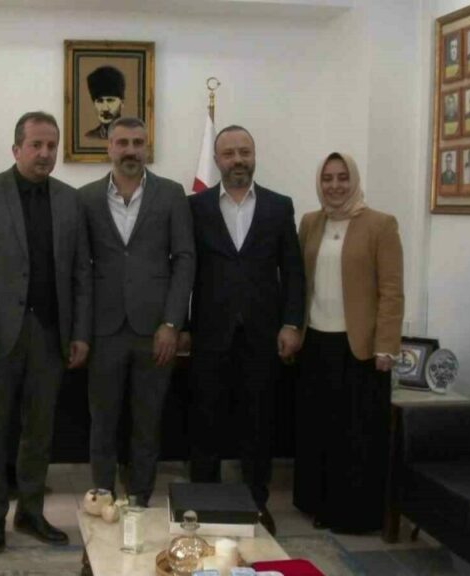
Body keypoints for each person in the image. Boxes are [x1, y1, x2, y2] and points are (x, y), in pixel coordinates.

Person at [0, 111, 92, 553]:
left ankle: (31, 512)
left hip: (51, 335)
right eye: (36, 145)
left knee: (40, 431)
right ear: (16, 148)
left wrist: (80, 333)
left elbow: (80, 273)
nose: (45, 153)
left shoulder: (70, 200)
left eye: (51, 145)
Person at [185, 125, 305, 537]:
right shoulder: (195, 206)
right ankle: (202, 504)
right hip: (209, 334)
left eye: (245, 152)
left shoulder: (278, 206)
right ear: (216, 160)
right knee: (205, 422)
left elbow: (293, 271)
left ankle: (256, 505)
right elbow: (184, 269)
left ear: (254, 155)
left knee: (258, 423)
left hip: (263, 335)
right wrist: (181, 325)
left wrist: (292, 322)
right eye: (229, 153)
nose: (238, 160)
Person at [78, 117, 194, 507]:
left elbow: (184, 260)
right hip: (104, 330)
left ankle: (140, 500)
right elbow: (80, 269)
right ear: (109, 147)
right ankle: (102, 498)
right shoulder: (86, 198)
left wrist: (172, 323)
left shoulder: (171, 194)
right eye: (122, 142)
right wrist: (82, 331)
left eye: (137, 142)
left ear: (147, 146)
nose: (130, 150)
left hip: (155, 330)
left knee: (147, 422)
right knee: (102, 422)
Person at [292, 152, 404, 534]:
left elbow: (392, 291)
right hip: (315, 342)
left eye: (342, 177)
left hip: (361, 348)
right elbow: (299, 282)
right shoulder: (310, 222)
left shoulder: (380, 224)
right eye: (327, 178)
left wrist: (386, 345)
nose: (335, 185)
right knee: (318, 429)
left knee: (355, 434)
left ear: (353, 180)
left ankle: (352, 514)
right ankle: (317, 503)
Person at [84, 66, 125, 140]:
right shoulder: (90, 136)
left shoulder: (131, 135)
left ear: (121, 104)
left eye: (110, 101)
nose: (105, 108)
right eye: (100, 101)